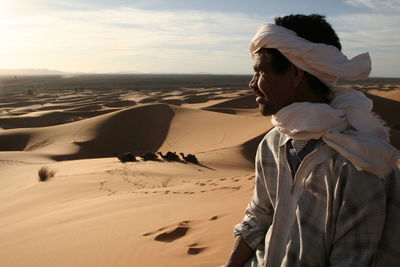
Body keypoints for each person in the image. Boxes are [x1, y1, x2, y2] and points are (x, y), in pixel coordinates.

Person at [224, 14, 400, 267]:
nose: (252, 84)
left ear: (296, 75)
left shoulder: (359, 162)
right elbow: (258, 216)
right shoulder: (273, 142)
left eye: (261, 72)